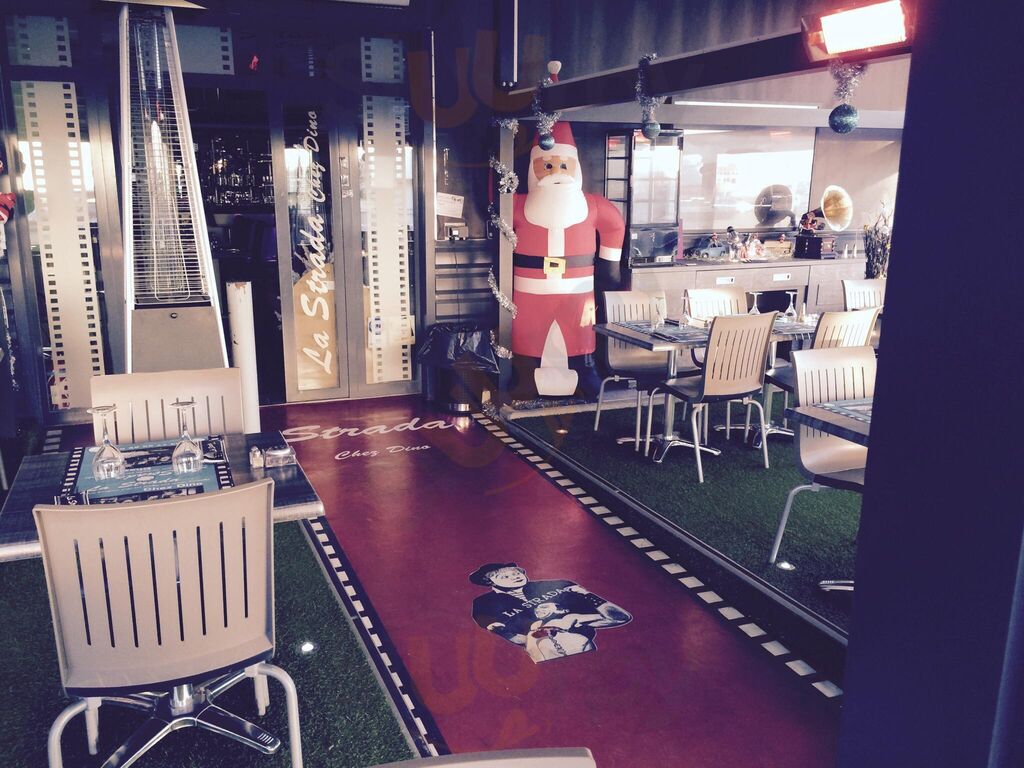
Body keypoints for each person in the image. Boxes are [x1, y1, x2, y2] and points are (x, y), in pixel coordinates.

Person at [469, 562, 631, 663]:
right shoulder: (483, 604)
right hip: (540, 655)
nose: (515, 577)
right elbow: (506, 637)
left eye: (516, 572)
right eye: (505, 576)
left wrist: (585, 597)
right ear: (490, 581)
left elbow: (618, 618)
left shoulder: (560, 585)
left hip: (583, 648)